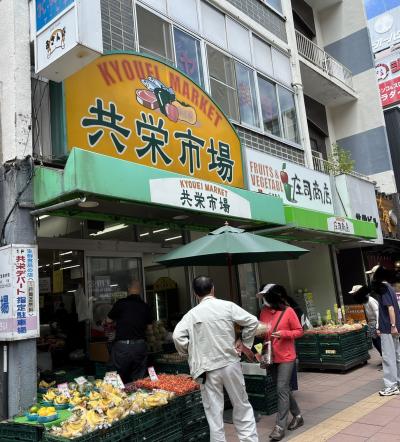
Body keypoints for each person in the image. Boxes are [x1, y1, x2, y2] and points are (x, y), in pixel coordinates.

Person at [173, 276, 259, 442]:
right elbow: (252, 321)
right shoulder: (227, 306)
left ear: (195, 294)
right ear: (213, 288)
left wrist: (190, 351)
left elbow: (177, 336)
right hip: (230, 363)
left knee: (214, 413)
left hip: (207, 369)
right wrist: (244, 342)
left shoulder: (192, 314)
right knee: (241, 405)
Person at [258, 284, 304, 441]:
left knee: (281, 388)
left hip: (286, 356)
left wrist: (284, 333)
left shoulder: (288, 311)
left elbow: (299, 331)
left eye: (266, 297)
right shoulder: (263, 311)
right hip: (270, 356)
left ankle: (279, 427)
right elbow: (262, 331)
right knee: (283, 389)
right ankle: (298, 416)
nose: (264, 300)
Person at [106, 279, 151, 384]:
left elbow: (108, 320)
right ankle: (138, 396)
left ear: (128, 288)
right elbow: (149, 328)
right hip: (140, 346)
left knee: (115, 376)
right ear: (139, 289)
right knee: (138, 379)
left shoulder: (121, 303)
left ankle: (116, 397)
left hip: (122, 348)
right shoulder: (145, 306)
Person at [367, 265, 400, 396]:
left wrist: (392, 326)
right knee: (397, 356)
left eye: (372, 274)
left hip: (388, 328)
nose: (371, 276)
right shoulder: (390, 287)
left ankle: (391, 386)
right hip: (394, 327)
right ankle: (397, 381)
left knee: (388, 357)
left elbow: (390, 308)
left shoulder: (383, 288)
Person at [349, 284, 381, 356]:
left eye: (355, 293)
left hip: (375, 322)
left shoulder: (370, 300)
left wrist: (378, 326)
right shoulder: (364, 301)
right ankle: (384, 358)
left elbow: (377, 312)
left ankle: (386, 359)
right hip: (371, 323)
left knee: (378, 341)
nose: (354, 295)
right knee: (375, 341)